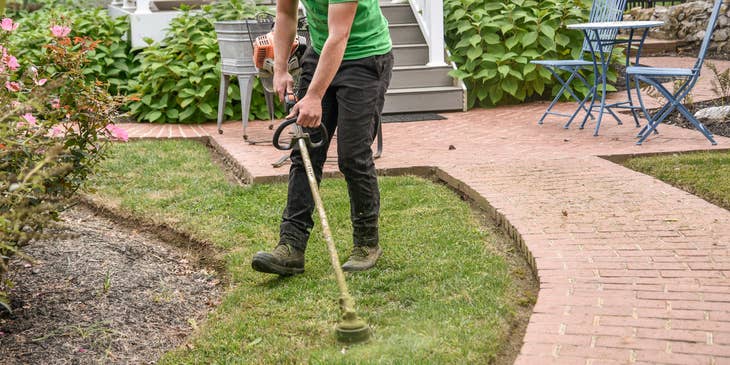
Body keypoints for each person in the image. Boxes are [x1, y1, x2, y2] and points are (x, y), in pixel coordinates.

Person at [251, 0, 394, 275]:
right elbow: (285, 13)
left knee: (353, 156)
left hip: (365, 58)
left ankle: (367, 243)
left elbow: (339, 35)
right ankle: (291, 247)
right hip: (321, 53)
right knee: (304, 150)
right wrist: (280, 69)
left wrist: (314, 96)